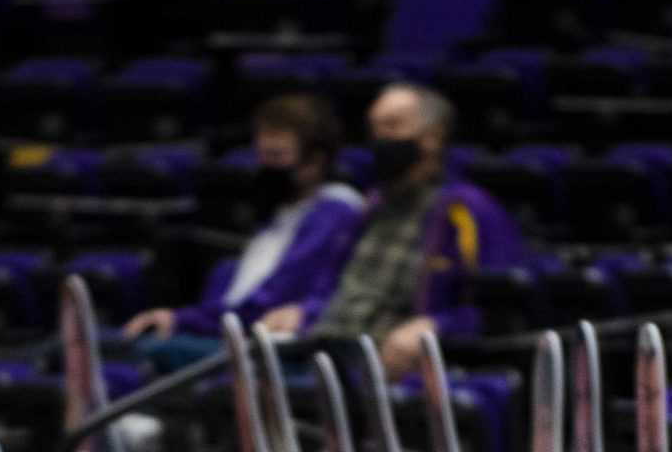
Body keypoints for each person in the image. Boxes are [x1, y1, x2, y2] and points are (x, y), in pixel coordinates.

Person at [261, 83, 523, 376]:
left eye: (392, 126)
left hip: (390, 360)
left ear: (433, 137)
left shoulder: (467, 209)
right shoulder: (369, 205)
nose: (379, 139)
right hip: (324, 346)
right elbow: (334, 288)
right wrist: (304, 312)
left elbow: (496, 311)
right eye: (374, 128)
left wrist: (436, 326)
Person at [124, 96, 364, 353]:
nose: (267, 167)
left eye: (277, 156)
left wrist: (187, 321)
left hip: (277, 341)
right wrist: (179, 318)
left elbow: (271, 298)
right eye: (262, 155)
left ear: (315, 160)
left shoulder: (334, 210)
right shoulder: (281, 208)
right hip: (236, 331)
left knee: (147, 350)